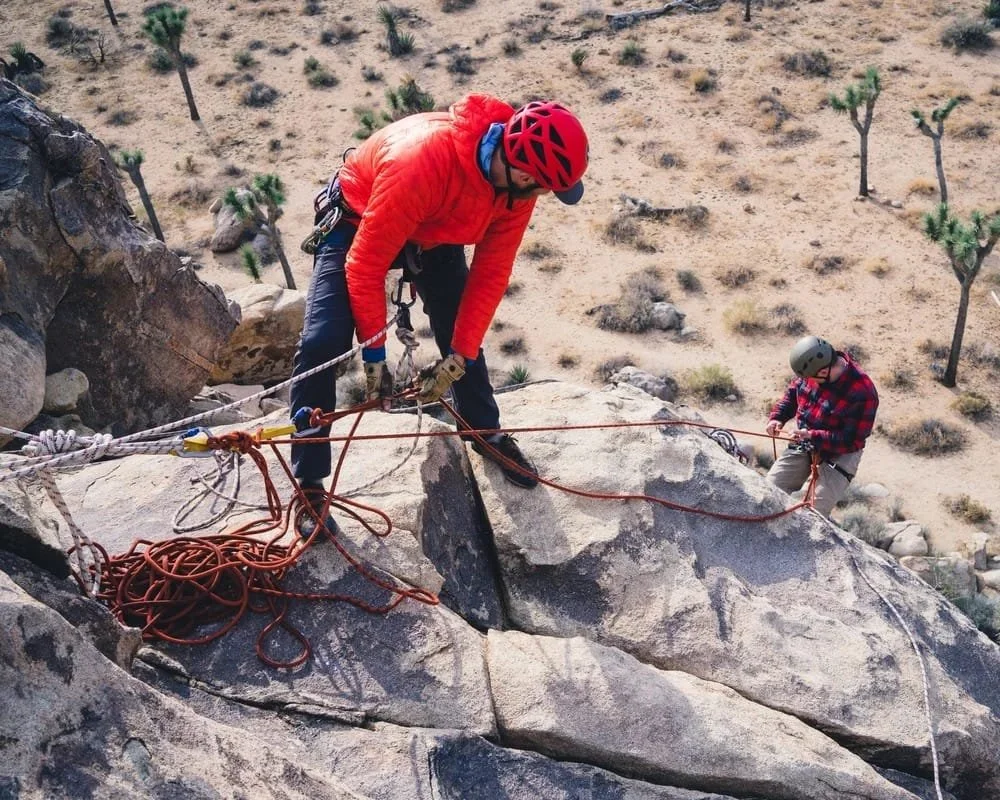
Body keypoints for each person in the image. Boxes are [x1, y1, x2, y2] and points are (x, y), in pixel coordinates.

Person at [289, 94, 589, 533]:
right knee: (322, 341)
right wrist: (374, 355)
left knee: (457, 325)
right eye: (544, 185)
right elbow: (365, 265)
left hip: (434, 231)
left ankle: (483, 431)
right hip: (358, 218)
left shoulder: (515, 192)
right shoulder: (424, 160)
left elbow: (491, 274)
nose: (544, 194)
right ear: (524, 171)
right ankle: (310, 483)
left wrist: (459, 358)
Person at [764, 335, 879, 517]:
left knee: (813, 513)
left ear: (824, 371)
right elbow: (793, 393)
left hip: (840, 453)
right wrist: (777, 417)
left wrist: (812, 435)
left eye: (812, 378)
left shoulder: (863, 392)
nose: (808, 380)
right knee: (768, 490)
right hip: (805, 441)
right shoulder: (812, 371)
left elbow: (849, 440)